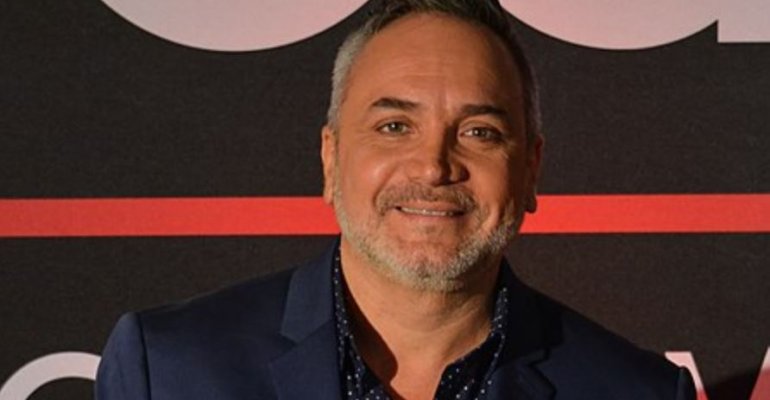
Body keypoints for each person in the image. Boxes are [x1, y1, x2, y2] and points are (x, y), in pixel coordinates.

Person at [96, 1, 696, 399]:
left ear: (530, 170)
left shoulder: (635, 391)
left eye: (479, 132)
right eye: (394, 127)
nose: (434, 166)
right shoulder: (168, 371)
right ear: (331, 158)